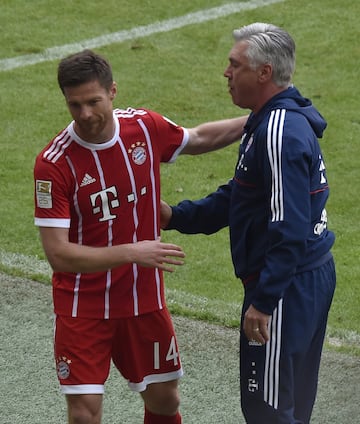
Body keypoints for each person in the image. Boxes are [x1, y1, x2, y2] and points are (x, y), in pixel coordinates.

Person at [33, 49, 247, 424]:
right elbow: (59, 255)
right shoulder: (54, 164)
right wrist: (132, 252)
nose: (85, 115)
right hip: (82, 306)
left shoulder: (144, 128)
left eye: (93, 102)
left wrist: (259, 117)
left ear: (112, 91)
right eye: (75, 105)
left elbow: (196, 138)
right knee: (84, 414)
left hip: (142, 301)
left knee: (165, 400)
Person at [161, 23, 336, 423]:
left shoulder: (276, 131)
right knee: (287, 404)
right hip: (304, 277)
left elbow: (287, 229)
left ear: (264, 73)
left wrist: (263, 301)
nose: (226, 73)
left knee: (267, 410)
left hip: (285, 286)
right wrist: (177, 216)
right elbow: (243, 197)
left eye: (234, 65)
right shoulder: (272, 121)